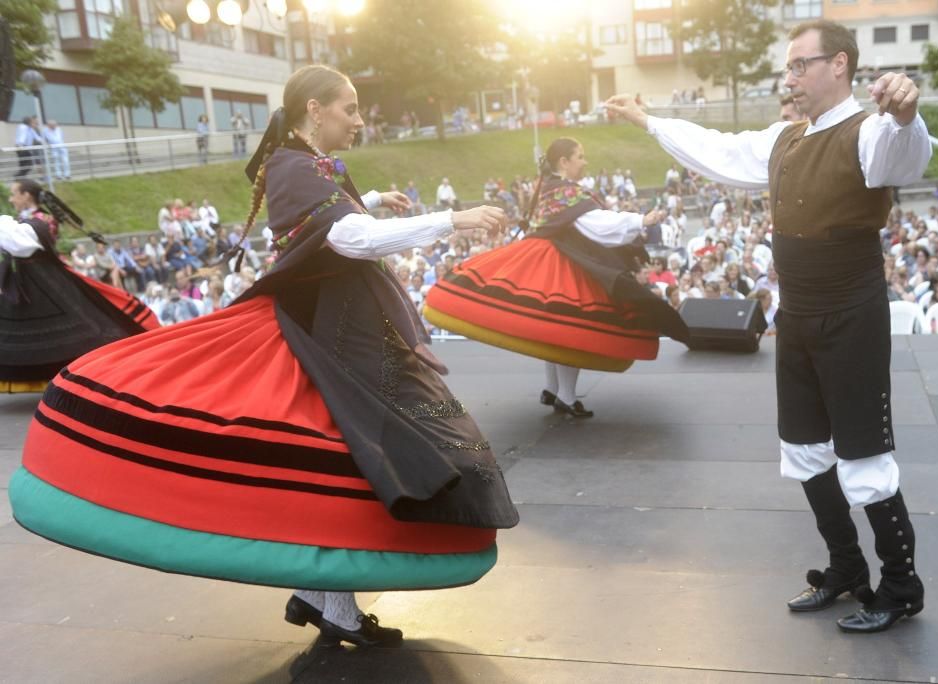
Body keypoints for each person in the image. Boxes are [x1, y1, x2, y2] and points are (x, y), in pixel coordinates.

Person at [9, 65, 518, 648]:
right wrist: (452, 218)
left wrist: (374, 198)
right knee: (352, 456)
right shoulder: (293, 167)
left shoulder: (309, 166)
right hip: (325, 330)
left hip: (340, 324)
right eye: (349, 108)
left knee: (345, 456)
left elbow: (326, 218)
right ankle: (331, 603)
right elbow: (349, 237)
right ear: (314, 110)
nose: (358, 119)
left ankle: (323, 596)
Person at [606, 19, 931, 633]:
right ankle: (846, 570)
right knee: (805, 450)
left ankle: (900, 585)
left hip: (852, 316)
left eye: (800, 65)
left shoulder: (871, 132)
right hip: (799, 316)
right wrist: (648, 122)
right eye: (787, 67)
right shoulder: (786, 137)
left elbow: (902, 155)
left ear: (839, 65)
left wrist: (908, 116)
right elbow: (721, 150)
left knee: (864, 456)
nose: (791, 77)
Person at [425, 137, 689, 418]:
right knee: (568, 324)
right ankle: (566, 396)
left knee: (549, 322)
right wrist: (640, 221)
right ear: (564, 161)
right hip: (558, 260)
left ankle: (553, 389)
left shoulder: (548, 186)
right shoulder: (566, 192)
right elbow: (595, 224)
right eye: (580, 156)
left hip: (539, 254)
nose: (585, 161)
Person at [0, 180, 159, 393]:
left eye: (14, 194)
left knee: (86, 331)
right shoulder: (24, 221)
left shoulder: (42, 220)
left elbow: (21, 246)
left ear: (27, 196)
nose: (11, 199)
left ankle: (106, 369)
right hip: (28, 285)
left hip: (49, 285)